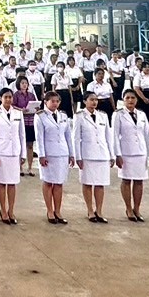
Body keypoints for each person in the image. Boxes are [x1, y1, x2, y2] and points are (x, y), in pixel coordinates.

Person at [112, 90, 149, 222]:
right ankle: (128, 208)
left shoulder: (141, 114)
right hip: (126, 152)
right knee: (126, 180)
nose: (130, 100)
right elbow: (115, 136)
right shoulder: (118, 114)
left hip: (140, 152)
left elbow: (147, 135)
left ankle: (137, 208)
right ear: (123, 100)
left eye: (133, 98)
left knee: (139, 181)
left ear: (136, 100)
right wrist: (117, 154)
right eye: (128, 98)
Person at [73, 92, 113, 223]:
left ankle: (99, 211)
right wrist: (78, 156)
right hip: (87, 154)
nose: (94, 102)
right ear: (85, 101)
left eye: (96, 100)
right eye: (91, 100)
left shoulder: (103, 115)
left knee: (100, 184)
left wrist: (111, 155)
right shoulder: (79, 116)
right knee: (88, 183)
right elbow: (76, 138)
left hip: (102, 154)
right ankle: (90, 210)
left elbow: (108, 137)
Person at [0, 89, 26, 225]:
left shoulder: (18, 112)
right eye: (6, 97)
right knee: (2, 182)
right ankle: (3, 210)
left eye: (10, 97)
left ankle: (11, 210)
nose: (8, 100)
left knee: (12, 183)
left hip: (14, 152)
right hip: (1, 152)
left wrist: (23, 154)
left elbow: (22, 134)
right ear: (0, 98)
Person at [36, 91, 74, 225]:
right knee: (48, 182)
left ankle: (58, 211)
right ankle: (49, 210)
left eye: (57, 101)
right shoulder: (40, 116)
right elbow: (39, 137)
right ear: (46, 102)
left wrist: (71, 153)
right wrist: (41, 154)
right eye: (52, 101)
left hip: (62, 153)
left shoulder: (63, 115)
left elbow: (68, 136)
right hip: (49, 153)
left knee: (59, 183)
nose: (55, 103)